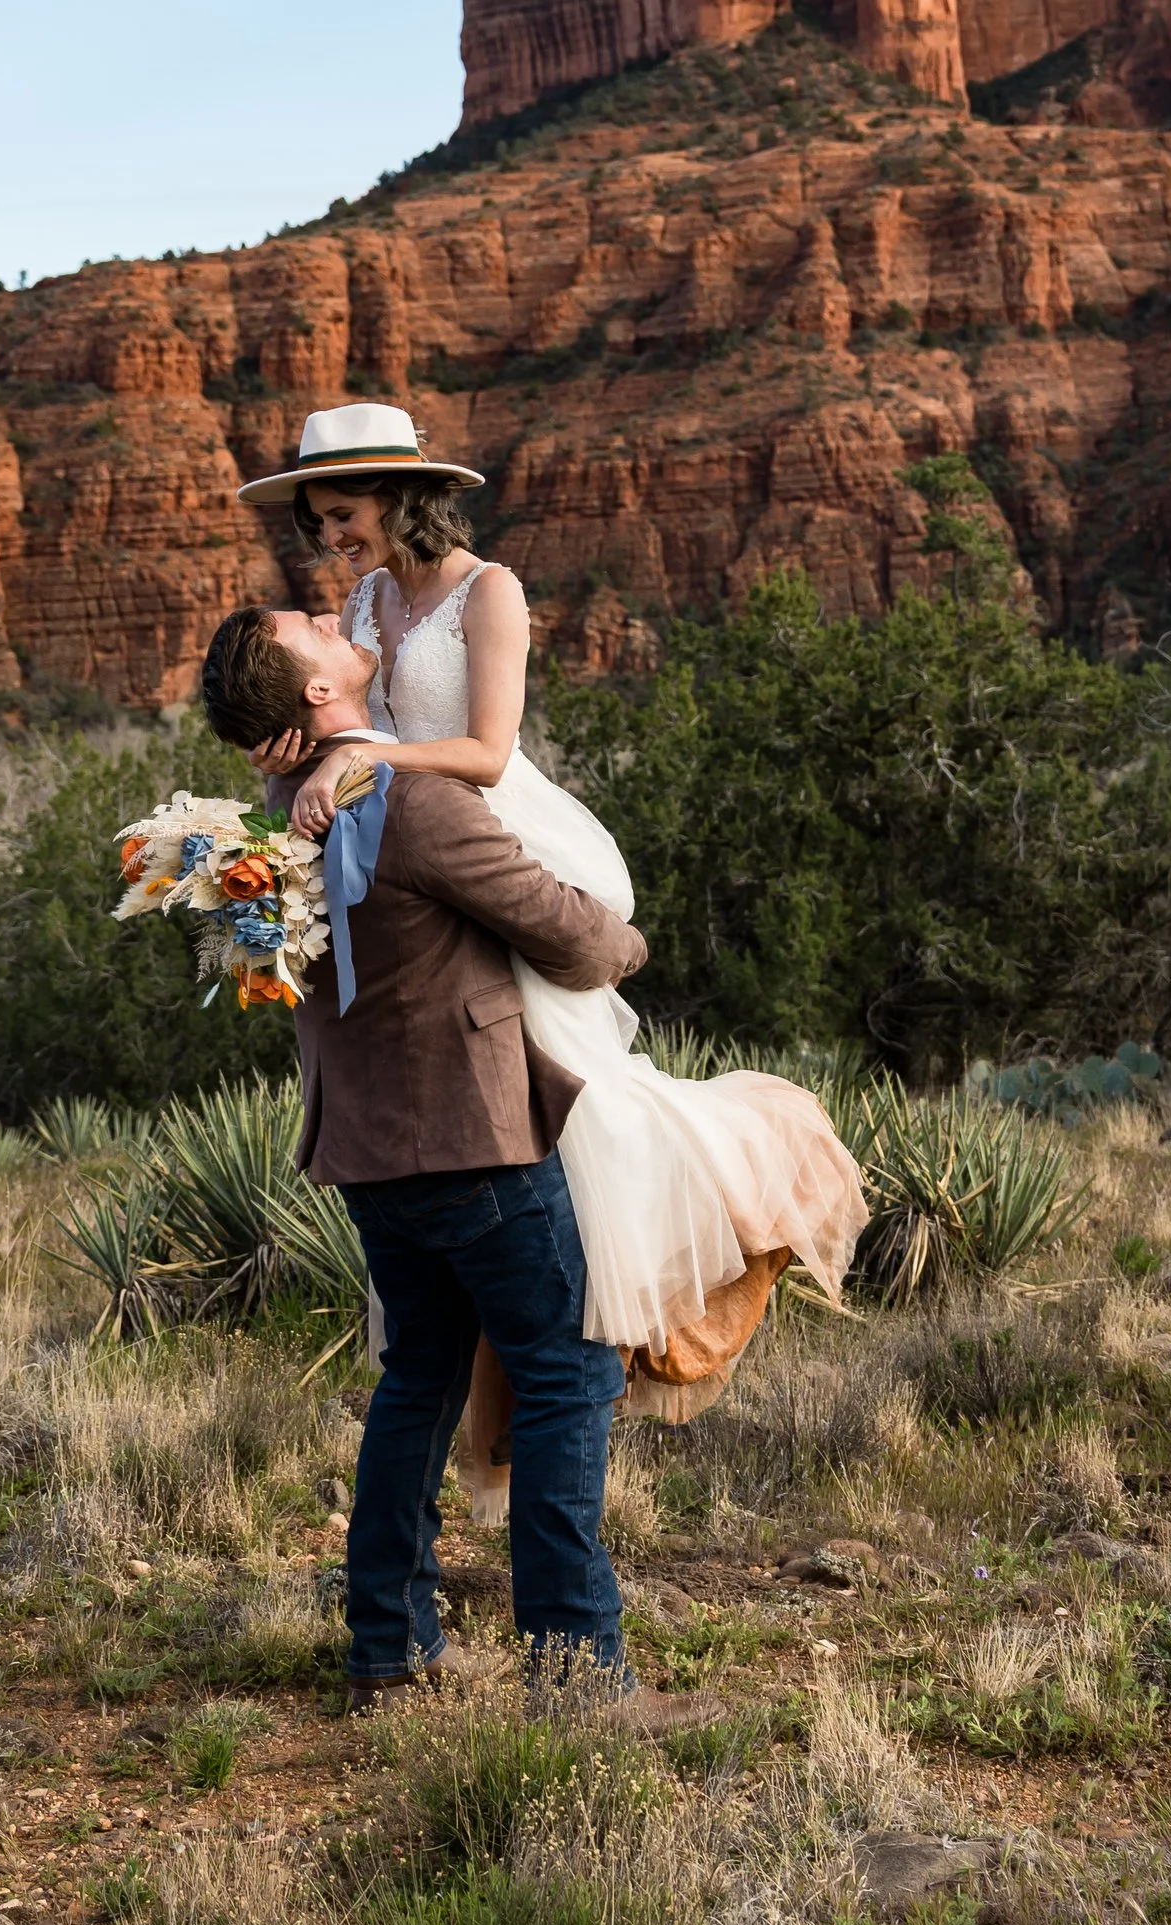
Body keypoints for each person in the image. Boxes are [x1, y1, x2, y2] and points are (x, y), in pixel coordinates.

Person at [227, 403, 866, 1389]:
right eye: (316, 519)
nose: (330, 537)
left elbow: (483, 753)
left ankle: (634, 1310)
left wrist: (358, 762)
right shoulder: (357, 610)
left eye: (343, 511)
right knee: (482, 1081)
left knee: (571, 1096)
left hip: (496, 836)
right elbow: (333, 718)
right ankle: (519, 1341)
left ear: (401, 496)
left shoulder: (489, 592)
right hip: (407, 859)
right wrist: (302, 756)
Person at [198, 588, 642, 1700]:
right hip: (471, 1139)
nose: (321, 606)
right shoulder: (408, 799)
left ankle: (388, 1648)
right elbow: (559, 930)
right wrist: (626, 941)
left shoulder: (278, 805)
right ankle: (573, 1671)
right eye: (304, 626)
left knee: (418, 1382)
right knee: (563, 1378)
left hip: (366, 1145)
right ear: (315, 689)